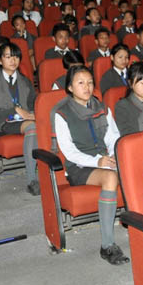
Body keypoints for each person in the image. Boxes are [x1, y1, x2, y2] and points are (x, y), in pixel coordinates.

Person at [54, 65, 128, 265]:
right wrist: (97, 161)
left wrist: (112, 155)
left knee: (135, 168)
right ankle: (107, 245)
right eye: (80, 83)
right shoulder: (62, 113)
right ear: (70, 87)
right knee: (111, 177)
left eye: (89, 83)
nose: (86, 87)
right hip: (79, 166)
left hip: (104, 159)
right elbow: (69, 151)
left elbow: (113, 137)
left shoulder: (102, 108)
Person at [0, 43, 39, 195]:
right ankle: (31, 180)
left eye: (16, 57)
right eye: (8, 57)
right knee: (32, 127)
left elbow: (33, 103)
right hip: (4, 123)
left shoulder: (25, 81)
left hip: (25, 120)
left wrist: (34, 113)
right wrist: (15, 110)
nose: (13, 60)